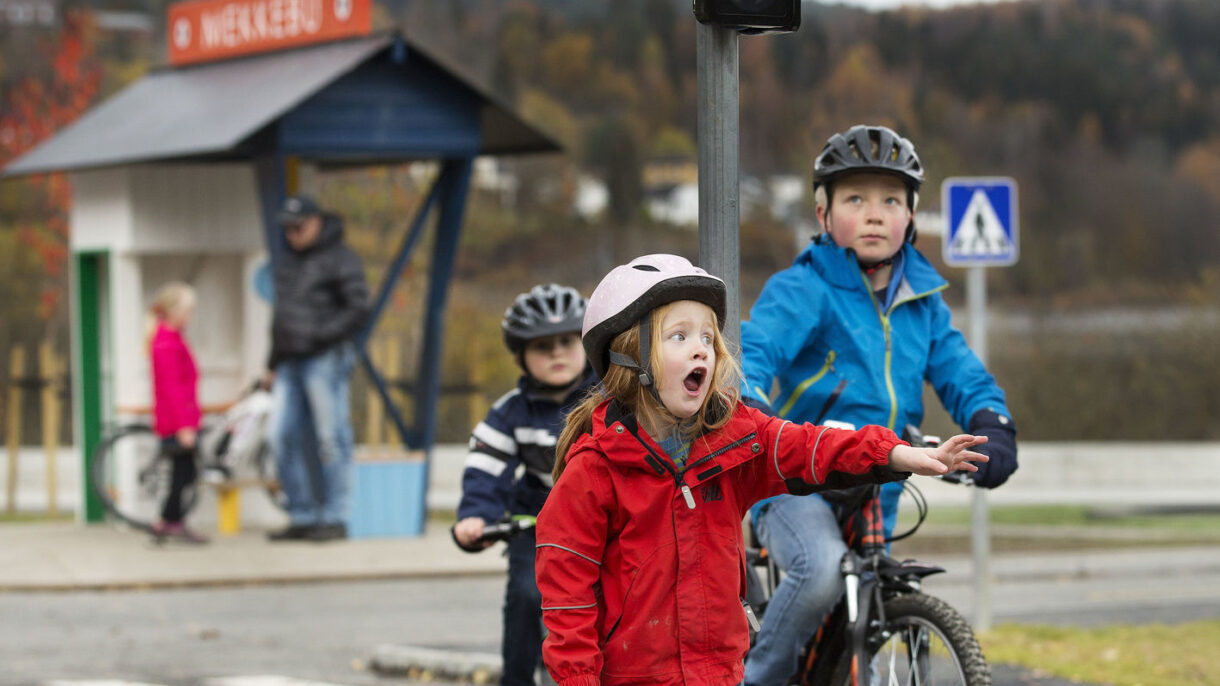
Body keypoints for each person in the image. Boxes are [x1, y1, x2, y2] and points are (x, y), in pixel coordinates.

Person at [534, 254, 989, 686]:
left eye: (708, 339)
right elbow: (567, 604)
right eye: (680, 337)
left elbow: (807, 445)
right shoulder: (594, 472)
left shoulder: (733, 438)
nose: (701, 352)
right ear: (628, 355)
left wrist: (891, 453)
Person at [739, 124, 1019, 685]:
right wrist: (748, 406)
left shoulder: (924, 305)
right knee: (820, 573)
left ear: (911, 216)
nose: (874, 214)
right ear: (823, 214)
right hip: (798, 481)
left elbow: (964, 374)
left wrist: (993, 426)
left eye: (891, 200)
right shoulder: (805, 288)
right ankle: (755, 680)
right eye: (855, 199)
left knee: (871, 605)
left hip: (879, 484)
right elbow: (755, 351)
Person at [453, 283, 598, 686]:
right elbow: (486, 466)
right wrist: (477, 516)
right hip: (537, 518)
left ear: (587, 343)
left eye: (567, 342)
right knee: (526, 594)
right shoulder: (509, 413)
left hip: (604, 518)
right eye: (541, 346)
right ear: (521, 355)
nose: (555, 353)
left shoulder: (610, 397)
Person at [265, 194, 370, 543]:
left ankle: (336, 516)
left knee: (331, 438)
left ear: (317, 222)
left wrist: (318, 337)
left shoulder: (341, 259)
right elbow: (282, 317)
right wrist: (271, 362)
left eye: (299, 226)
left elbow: (358, 309)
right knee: (280, 438)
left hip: (324, 358)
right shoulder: (288, 261)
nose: (292, 233)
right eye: (287, 228)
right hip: (289, 361)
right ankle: (303, 514)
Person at [147, 282, 209, 544]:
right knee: (183, 474)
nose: (190, 317)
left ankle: (170, 521)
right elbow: (173, 387)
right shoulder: (166, 342)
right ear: (173, 311)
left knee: (184, 473)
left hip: (182, 417)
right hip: (176, 421)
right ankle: (167, 521)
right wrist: (185, 426)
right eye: (187, 311)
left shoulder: (171, 337)